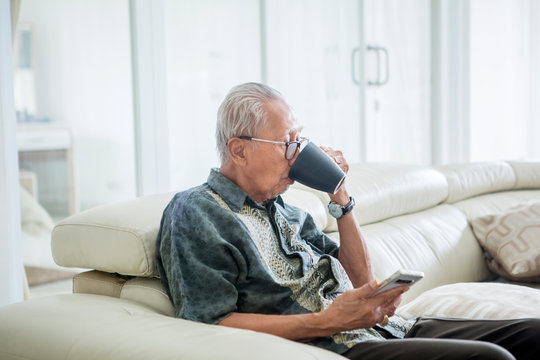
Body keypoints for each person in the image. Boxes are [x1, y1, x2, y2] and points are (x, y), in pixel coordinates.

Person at [156, 82, 539, 360]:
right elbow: (208, 323)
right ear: (239, 150)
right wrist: (325, 322)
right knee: (491, 359)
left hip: (389, 329)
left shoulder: (288, 211)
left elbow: (360, 280)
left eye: (300, 141)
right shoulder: (196, 212)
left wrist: (340, 195)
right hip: (339, 345)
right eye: (287, 143)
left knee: (532, 333)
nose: (298, 155)